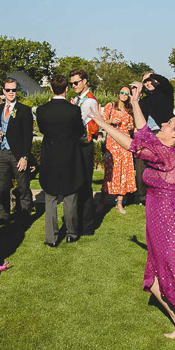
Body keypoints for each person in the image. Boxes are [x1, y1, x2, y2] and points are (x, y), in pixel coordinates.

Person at [90, 82, 175, 350]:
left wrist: (102, 125)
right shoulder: (163, 149)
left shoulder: (167, 155)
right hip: (160, 224)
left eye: (169, 123)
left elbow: (133, 142)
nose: (164, 122)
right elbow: (143, 132)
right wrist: (134, 101)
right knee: (156, 282)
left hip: (174, 226)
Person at [36, 75, 86, 246]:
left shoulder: (42, 110)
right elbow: (80, 131)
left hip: (50, 156)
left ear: (51, 89)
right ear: (66, 89)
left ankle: (51, 237)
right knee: (70, 195)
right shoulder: (74, 110)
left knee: (50, 197)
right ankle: (71, 233)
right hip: (70, 156)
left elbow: (42, 130)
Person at [0, 78, 34, 226]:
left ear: (17, 91)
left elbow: (28, 136)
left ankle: (25, 216)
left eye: (13, 90)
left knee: (23, 186)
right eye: (8, 90)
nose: (11, 93)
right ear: (3, 91)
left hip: (18, 154)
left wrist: (24, 157)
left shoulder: (24, 110)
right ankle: (4, 216)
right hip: (1, 153)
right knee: (3, 187)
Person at [135, 72, 175, 205]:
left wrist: (151, 75)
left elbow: (165, 81)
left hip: (162, 133)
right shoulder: (145, 100)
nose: (148, 83)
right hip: (147, 134)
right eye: (145, 81)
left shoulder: (165, 92)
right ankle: (142, 195)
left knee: (162, 166)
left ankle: (163, 192)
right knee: (141, 164)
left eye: (150, 80)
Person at [69, 69, 100, 236]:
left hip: (85, 146)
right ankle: (79, 221)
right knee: (78, 184)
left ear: (85, 81)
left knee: (85, 185)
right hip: (78, 145)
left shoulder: (89, 101)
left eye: (76, 82)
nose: (73, 85)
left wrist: (71, 108)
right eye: (72, 83)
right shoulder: (80, 99)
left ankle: (87, 225)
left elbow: (77, 121)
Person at [100, 85, 137, 213]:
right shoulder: (110, 106)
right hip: (112, 143)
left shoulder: (129, 110)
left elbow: (132, 127)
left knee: (124, 171)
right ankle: (102, 201)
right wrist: (110, 121)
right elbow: (102, 122)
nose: (123, 95)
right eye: (122, 92)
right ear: (118, 93)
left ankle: (119, 202)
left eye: (126, 94)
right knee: (110, 171)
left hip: (125, 143)